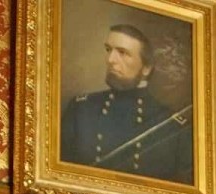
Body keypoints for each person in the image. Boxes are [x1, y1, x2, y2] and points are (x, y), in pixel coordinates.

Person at [59, 25, 193, 184]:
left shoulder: (173, 126)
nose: (110, 60)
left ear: (146, 68)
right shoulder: (80, 109)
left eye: (122, 53)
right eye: (108, 50)